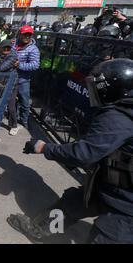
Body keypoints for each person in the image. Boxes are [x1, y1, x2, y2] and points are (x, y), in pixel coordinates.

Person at [9, 59, 133, 244]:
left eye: (97, 88)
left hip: (126, 204)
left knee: (107, 236)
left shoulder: (118, 117)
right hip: (111, 183)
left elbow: (84, 153)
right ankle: (38, 230)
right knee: (72, 204)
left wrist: (45, 148)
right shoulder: (125, 110)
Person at [15, 25, 40, 129]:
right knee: (12, 101)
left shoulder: (33, 49)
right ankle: (14, 119)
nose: (27, 37)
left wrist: (19, 65)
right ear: (20, 34)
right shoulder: (15, 44)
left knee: (24, 102)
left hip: (23, 80)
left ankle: (24, 120)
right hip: (11, 78)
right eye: (25, 34)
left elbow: (35, 65)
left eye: (29, 35)